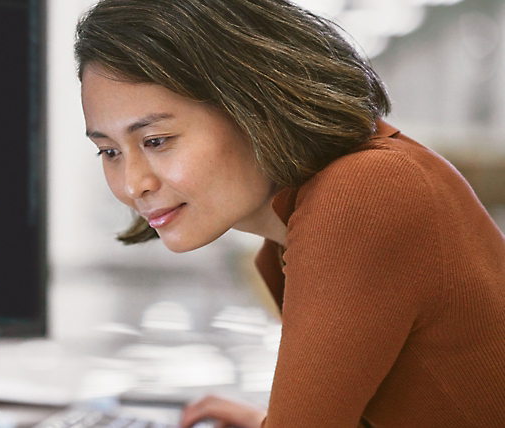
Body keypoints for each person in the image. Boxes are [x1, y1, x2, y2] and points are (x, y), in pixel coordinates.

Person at [74, 0, 505, 427]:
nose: (132, 184)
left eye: (156, 140)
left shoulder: (363, 193)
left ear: (252, 105)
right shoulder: (289, 234)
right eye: (109, 151)